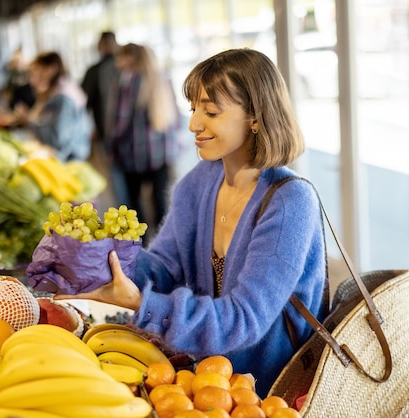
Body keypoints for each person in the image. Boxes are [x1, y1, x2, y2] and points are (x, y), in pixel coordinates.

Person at [56, 48, 328, 397]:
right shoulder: (199, 182)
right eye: (194, 108)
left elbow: (243, 319)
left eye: (211, 111)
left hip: (267, 393)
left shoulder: (290, 203)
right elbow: (164, 267)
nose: (193, 124)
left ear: (256, 117)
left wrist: (143, 304)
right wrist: (100, 255)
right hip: (204, 379)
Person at [105, 43, 180, 237]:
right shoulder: (162, 79)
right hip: (163, 154)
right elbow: (176, 119)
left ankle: (143, 248)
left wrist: (110, 146)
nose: (117, 62)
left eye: (120, 57)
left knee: (135, 207)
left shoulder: (128, 83)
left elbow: (120, 123)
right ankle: (165, 247)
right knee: (161, 204)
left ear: (131, 58)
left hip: (134, 155)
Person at [14, 51, 92, 161]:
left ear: (51, 69)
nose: (32, 79)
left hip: (71, 160)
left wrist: (28, 122)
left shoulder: (64, 97)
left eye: (37, 71)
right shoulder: (56, 91)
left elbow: (57, 139)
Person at [81, 31, 120, 143]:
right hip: (104, 128)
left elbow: (83, 101)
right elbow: (84, 101)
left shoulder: (95, 71)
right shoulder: (94, 71)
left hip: (106, 129)